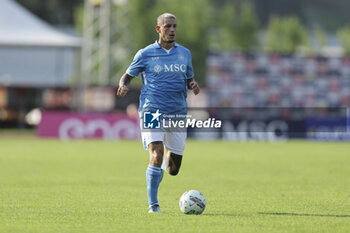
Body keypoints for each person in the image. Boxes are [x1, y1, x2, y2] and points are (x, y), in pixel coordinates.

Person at [116, 12, 200, 213]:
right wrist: (123, 85)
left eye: (174, 26)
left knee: (173, 168)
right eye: (168, 26)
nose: (172, 30)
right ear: (158, 29)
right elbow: (127, 76)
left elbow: (188, 77)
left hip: (177, 113)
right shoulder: (145, 53)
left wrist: (193, 84)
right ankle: (153, 205)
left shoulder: (185, 54)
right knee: (156, 153)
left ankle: (158, 170)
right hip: (151, 110)